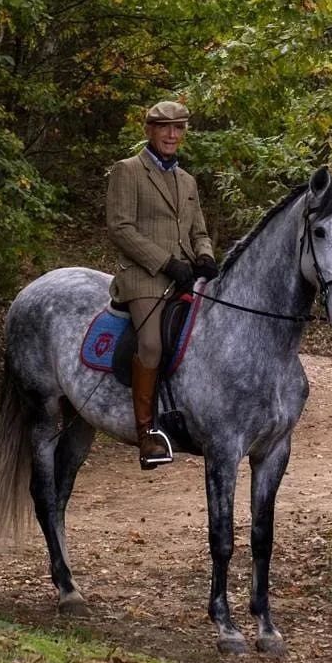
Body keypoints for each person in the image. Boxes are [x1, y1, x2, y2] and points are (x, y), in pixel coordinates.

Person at [106, 100, 219, 469]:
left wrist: (205, 256)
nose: (172, 135)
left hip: (184, 274)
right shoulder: (128, 171)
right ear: (149, 131)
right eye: (164, 128)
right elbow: (121, 227)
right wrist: (164, 262)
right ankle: (147, 434)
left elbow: (199, 230)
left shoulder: (186, 180)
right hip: (144, 276)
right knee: (151, 344)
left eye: (179, 128)